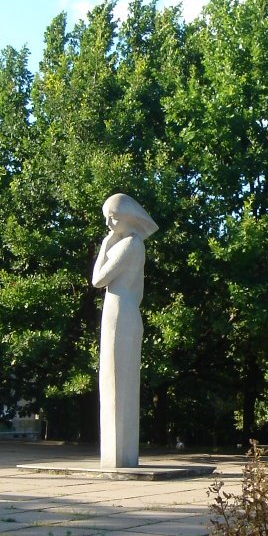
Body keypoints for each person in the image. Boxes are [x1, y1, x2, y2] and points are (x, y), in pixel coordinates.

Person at [92, 194, 158, 468]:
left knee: (117, 381)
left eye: (113, 218)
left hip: (119, 313)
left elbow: (97, 279)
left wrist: (105, 247)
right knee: (117, 381)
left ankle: (118, 456)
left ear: (128, 219)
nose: (108, 223)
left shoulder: (129, 245)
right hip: (126, 311)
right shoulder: (135, 245)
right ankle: (120, 454)